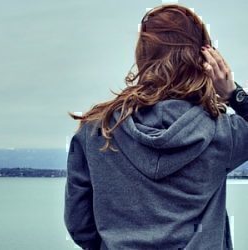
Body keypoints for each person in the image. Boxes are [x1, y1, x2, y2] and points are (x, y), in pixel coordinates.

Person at [63, 3, 248, 250]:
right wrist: (234, 94)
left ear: (142, 55)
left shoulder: (96, 130)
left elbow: (79, 223)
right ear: (202, 58)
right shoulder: (221, 133)